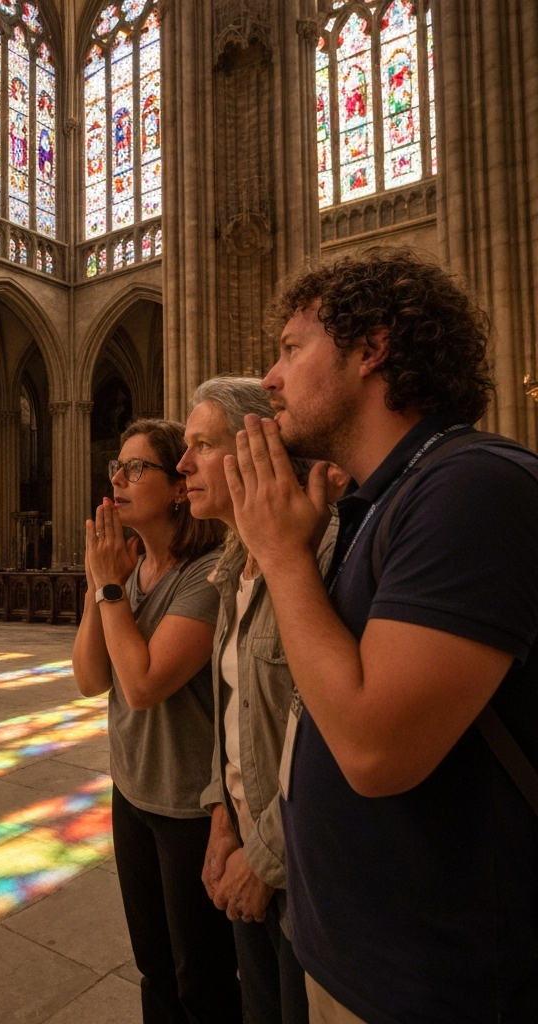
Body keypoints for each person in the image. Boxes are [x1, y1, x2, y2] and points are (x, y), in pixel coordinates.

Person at [224, 247, 538, 1024]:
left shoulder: (473, 487)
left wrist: (281, 554)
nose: (269, 377)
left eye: (293, 349)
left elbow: (373, 750)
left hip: (438, 985)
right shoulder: (382, 502)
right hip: (349, 956)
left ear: (373, 349)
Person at [177, 377, 342, 1024]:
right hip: (244, 848)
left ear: (256, 449)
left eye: (202, 446)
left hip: (299, 869)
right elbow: (234, 710)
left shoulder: (316, 555)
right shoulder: (231, 564)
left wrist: (263, 857)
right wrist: (221, 818)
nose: (183, 465)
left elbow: (324, 732)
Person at [72, 418, 241, 1024]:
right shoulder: (126, 570)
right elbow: (92, 679)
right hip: (133, 791)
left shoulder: (208, 571)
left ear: (176, 488)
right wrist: (102, 582)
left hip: (191, 806)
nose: (118, 478)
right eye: (116, 468)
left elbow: (141, 686)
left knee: (204, 980)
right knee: (154, 970)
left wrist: (109, 587)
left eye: (136, 468)